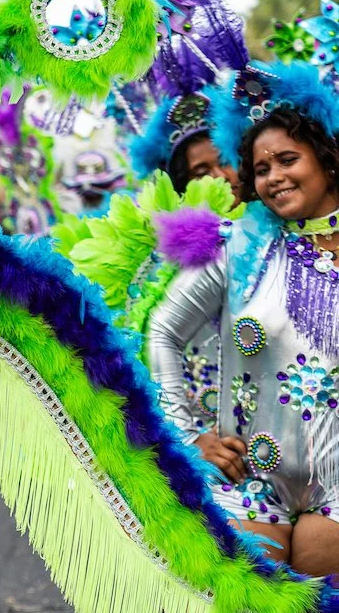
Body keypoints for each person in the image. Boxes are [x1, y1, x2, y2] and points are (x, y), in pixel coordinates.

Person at [148, 62, 339, 574]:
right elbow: (164, 330)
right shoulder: (236, 247)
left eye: (287, 160)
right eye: (261, 168)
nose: (274, 177)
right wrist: (187, 434)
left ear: (327, 160)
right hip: (249, 482)